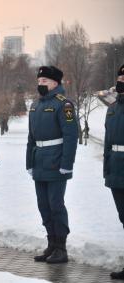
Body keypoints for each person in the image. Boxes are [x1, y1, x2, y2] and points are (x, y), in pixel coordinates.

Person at [27, 66, 78, 264]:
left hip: (56, 162)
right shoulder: (35, 105)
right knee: (43, 205)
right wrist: (29, 162)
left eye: (45, 82)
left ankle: (61, 248)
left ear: (55, 83)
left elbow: (71, 136)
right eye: (39, 82)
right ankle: (51, 243)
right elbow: (31, 137)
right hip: (39, 161)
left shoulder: (63, 104)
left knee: (56, 204)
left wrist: (67, 163)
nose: (41, 85)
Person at [104, 64, 124, 280]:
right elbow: (108, 142)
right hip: (117, 168)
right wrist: (107, 169)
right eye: (120, 76)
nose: (121, 80)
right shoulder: (113, 107)